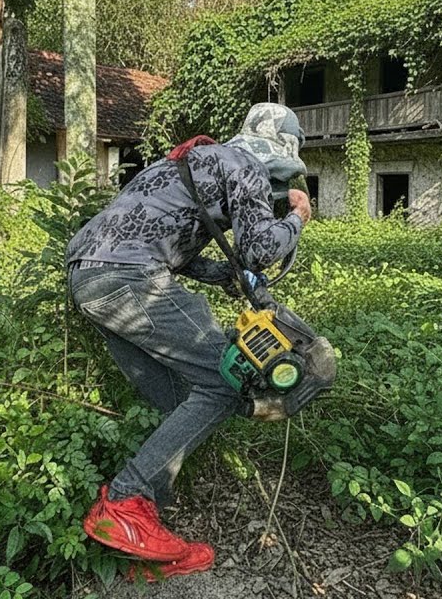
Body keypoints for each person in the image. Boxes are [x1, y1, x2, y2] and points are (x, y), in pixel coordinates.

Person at [66, 103, 313, 579]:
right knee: (224, 383)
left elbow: (168, 243)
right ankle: (123, 503)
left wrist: (224, 274)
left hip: (88, 278)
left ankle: (142, 533)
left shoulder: (185, 164)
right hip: (132, 278)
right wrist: (298, 217)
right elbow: (262, 249)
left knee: (176, 396)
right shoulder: (246, 167)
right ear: (280, 154)